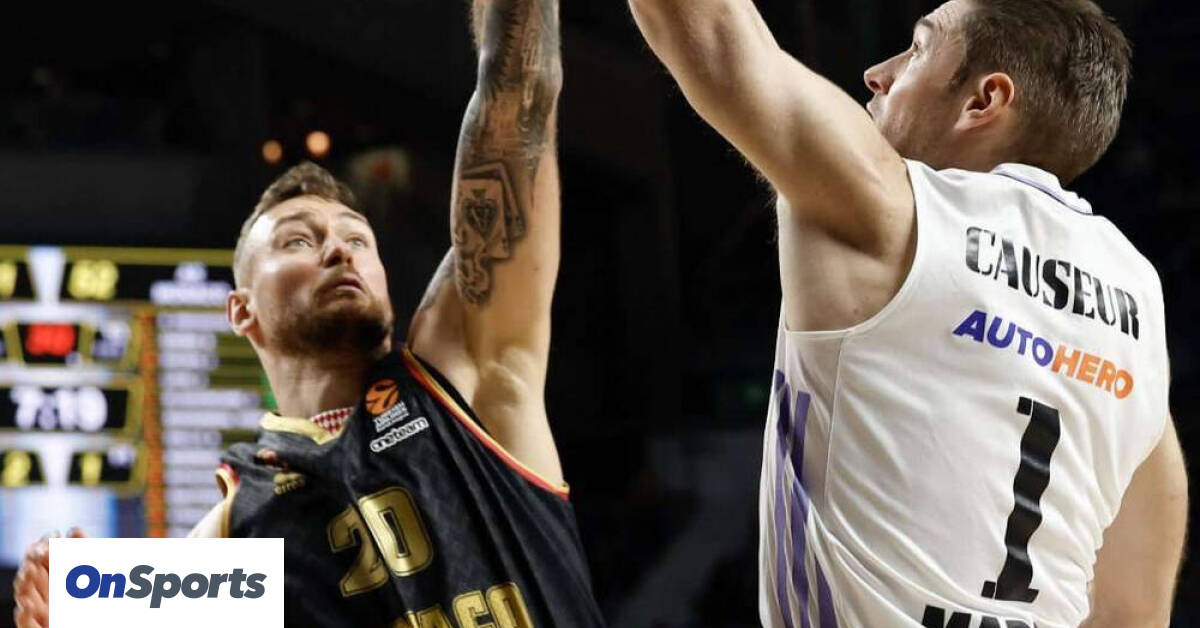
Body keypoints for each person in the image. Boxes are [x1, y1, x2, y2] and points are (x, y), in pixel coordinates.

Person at [13, 0, 607, 626]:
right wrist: (60, 600)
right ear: (241, 311)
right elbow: (88, 596)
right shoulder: (239, 535)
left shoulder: (466, 372)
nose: (337, 249)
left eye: (358, 238)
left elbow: (517, 99)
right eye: (298, 239)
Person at [628, 0, 1187, 626]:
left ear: (984, 100)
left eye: (919, 48)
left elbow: (713, 38)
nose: (878, 73)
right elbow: (1134, 612)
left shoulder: (889, 209)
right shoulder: (1139, 303)